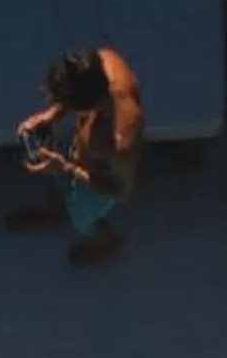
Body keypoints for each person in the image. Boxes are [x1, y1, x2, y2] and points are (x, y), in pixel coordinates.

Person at [9, 47, 143, 265]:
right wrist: (50, 115)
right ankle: (55, 214)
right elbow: (83, 77)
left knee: (82, 217)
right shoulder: (105, 63)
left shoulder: (121, 141)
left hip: (97, 183)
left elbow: (121, 192)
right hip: (78, 155)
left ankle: (107, 241)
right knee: (57, 183)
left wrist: (68, 169)